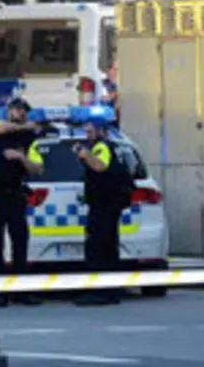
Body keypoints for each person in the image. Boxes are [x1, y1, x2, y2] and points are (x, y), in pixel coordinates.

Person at [0, 97, 44, 308]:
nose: (20, 113)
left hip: (15, 197)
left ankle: (20, 291)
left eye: (23, 110)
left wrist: (21, 158)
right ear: (9, 111)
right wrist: (25, 126)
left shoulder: (28, 141)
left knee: (20, 243)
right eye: (16, 109)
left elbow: (38, 169)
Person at [73, 116, 135, 306]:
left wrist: (84, 155)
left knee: (97, 249)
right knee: (107, 248)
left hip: (104, 206)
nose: (87, 132)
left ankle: (100, 292)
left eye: (90, 129)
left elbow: (100, 166)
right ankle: (109, 291)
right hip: (107, 205)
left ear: (101, 130)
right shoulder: (114, 146)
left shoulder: (102, 147)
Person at [101, 62, 120, 126]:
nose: (116, 72)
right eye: (114, 69)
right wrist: (116, 93)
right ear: (108, 70)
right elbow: (105, 99)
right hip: (109, 115)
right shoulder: (104, 84)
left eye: (117, 70)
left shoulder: (120, 83)